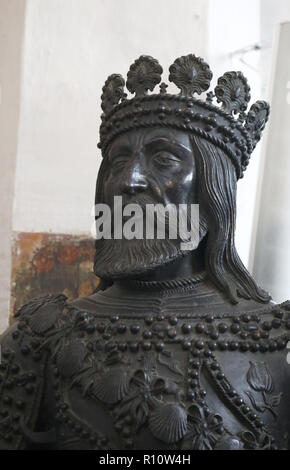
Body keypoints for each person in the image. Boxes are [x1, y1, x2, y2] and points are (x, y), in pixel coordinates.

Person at [1, 54, 289, 450]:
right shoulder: (40, 336)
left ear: (213, 189)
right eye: (119, 161)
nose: (128, 180)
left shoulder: (278, 340)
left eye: (164, 160)